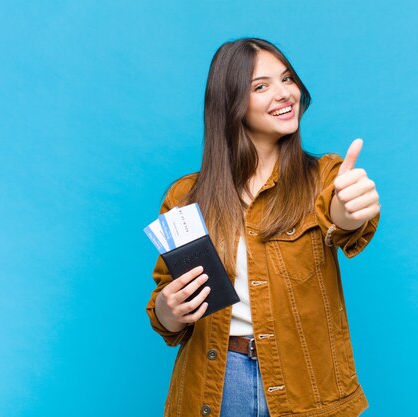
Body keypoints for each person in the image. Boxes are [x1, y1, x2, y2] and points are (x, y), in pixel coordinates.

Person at [146, 38, 380, 417]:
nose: (284, 93)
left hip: (306, 384)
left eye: (288, 79)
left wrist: (349, 211)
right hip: (217, 383)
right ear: (230, 102)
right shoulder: (185, 197)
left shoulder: (326, 177)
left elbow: (346, 221)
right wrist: (168, 310)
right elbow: (166, 313)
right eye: (261, 86)